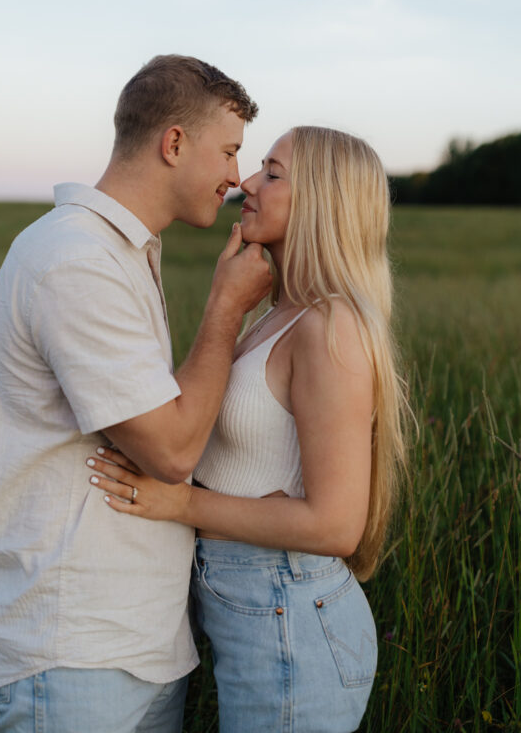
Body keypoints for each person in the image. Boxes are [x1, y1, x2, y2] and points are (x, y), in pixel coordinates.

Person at [0, 55, 273, 733]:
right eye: (228, 150)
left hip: (132, 645)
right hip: (76, 652)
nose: (236, 176)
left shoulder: (121, 250)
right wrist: (225, 308)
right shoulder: (76, 258)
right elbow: (169, 449)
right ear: (173, 143)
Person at [86, 126, 411, 733]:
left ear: (322, 201)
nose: (247, 183)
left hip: (289, 611)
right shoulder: (280, 318)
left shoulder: (329, 327)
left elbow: (337, 524)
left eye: (273, 172)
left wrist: (181, 504)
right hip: (260, 607)